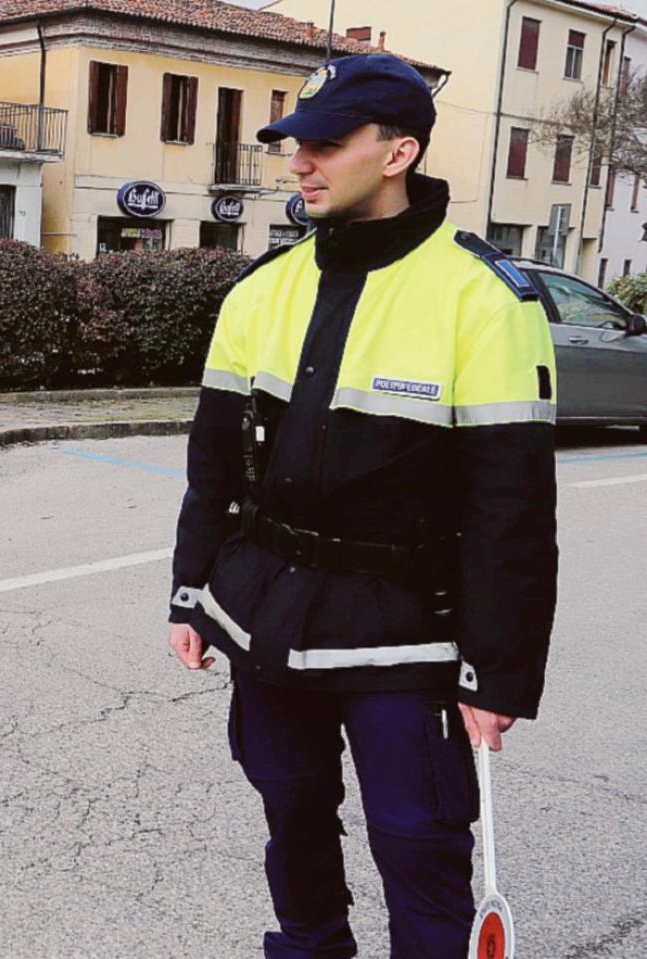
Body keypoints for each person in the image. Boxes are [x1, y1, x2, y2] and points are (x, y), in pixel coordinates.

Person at [166, 54, 557, 959]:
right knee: (292, 814)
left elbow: (513, 511)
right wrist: (190, 592)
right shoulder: (259, 288)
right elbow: (213, 463)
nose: (300, 161)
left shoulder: (485, 298)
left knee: (419, 845)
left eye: (327, 143)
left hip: (406, 638)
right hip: (264, 621)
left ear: (398, 151)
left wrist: (497, 674)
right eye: (295, 144)